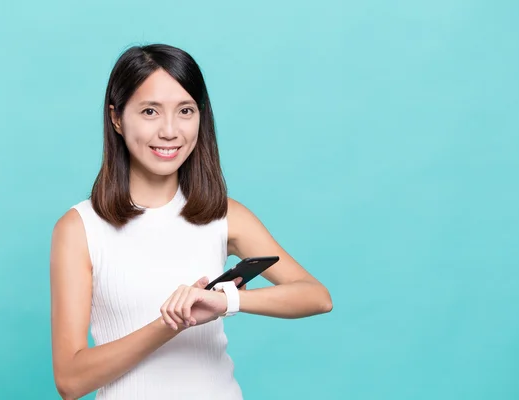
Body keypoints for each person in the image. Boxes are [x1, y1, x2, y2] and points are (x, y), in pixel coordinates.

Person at [50, 43, 333, 400]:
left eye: (185, 110)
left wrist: (226, 301)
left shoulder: (224, 215)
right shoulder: (79, 229)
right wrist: (172, 323)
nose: (170, 131)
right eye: (150, 111)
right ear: (116, 118)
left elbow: (317, 297)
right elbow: (71, 381)